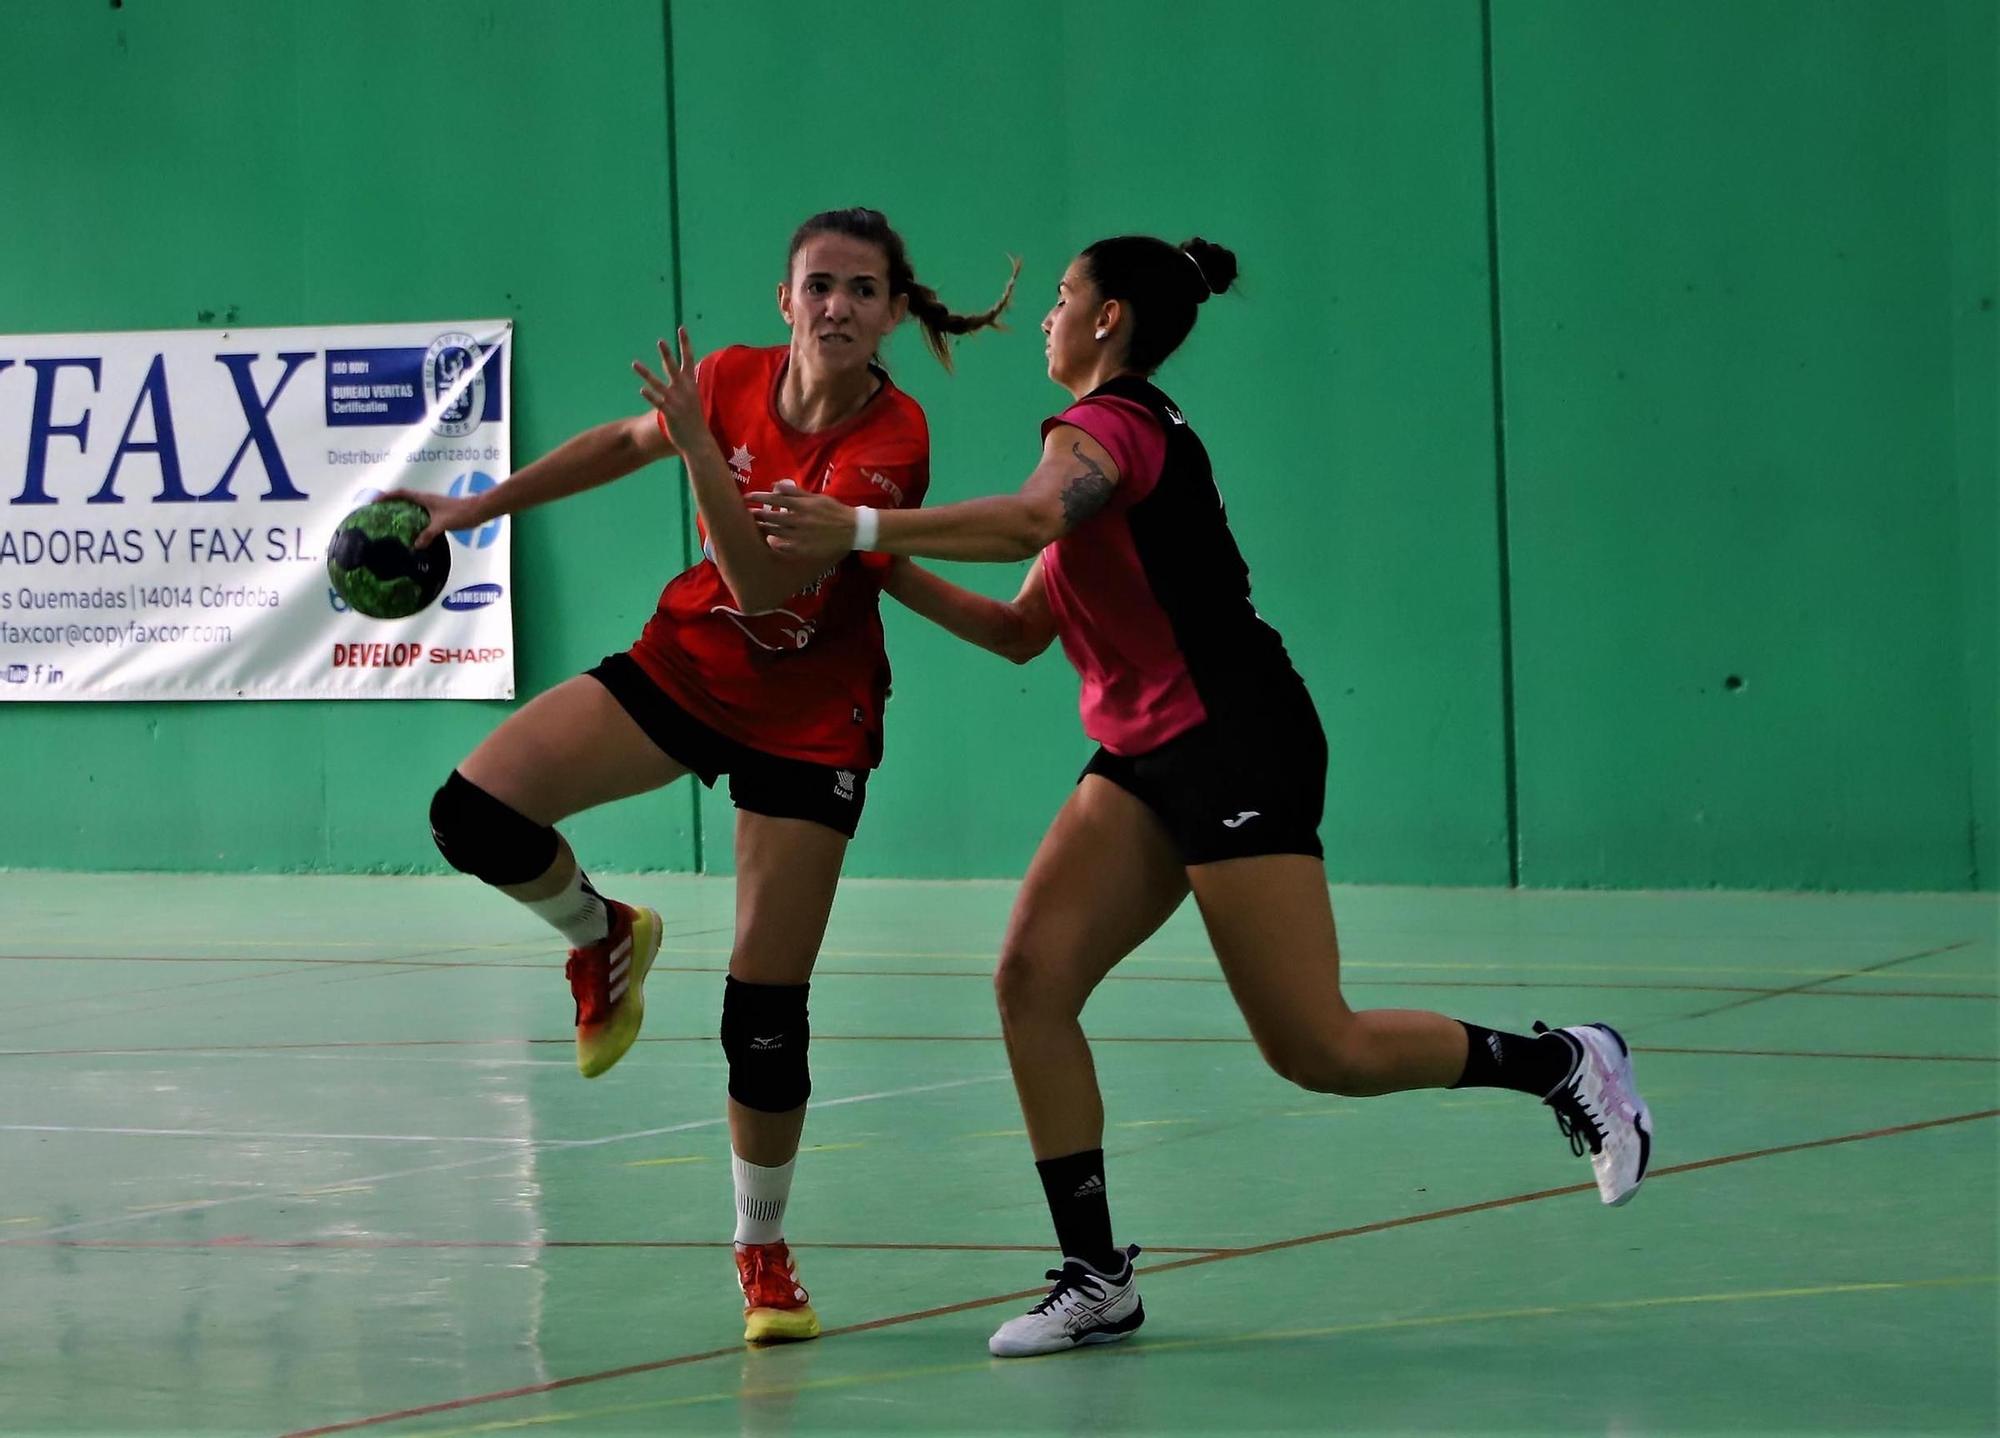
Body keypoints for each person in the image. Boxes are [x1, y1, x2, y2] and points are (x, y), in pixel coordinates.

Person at [749, 233, 1653, 1358]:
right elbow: (1020, 630)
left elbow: (1028, 521)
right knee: (1031, 981)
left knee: (1317, 1048)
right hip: (1142, 750)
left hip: (1233, 740)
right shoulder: (1095, 451)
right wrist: (871, 567)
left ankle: (1564, 1061)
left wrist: (865, 525)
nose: (1045, 317)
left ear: (1108, 318)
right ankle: (1095, 1278)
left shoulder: (1111, 429)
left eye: (1062, 298)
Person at [389, 207, 1013, 1344]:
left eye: (861, 290)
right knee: (470, 811)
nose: (836, 305)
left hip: (810, 722)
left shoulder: (892, 438)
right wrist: (471, 509)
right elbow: (620, 447)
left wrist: (691, 449)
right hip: (684, 667)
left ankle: (761, 1252)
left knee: (763, 1018)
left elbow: (768, 586)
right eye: (817, 284)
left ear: (887, 313)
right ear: (784, 301)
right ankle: (601, 931)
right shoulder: (725, 379)